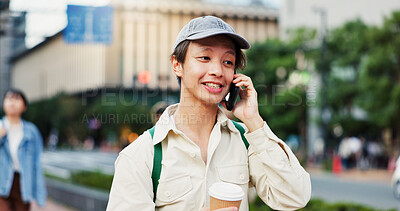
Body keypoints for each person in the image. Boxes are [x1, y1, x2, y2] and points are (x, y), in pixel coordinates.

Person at [107, 16, 311, 211]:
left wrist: (254, 121)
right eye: (205, 57)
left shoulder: (245, 140)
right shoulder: (142, 155)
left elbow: (294, 197)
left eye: (228, 62)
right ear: (177, 65)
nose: (217, 71)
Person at [0, 89, 47, 211]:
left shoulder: (31, 131)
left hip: (23, 182)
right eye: (9, 98)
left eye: (16, 98)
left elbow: (36, 163)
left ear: (24, 106)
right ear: (3, 104)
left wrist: (39, 195)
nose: (12, 102)